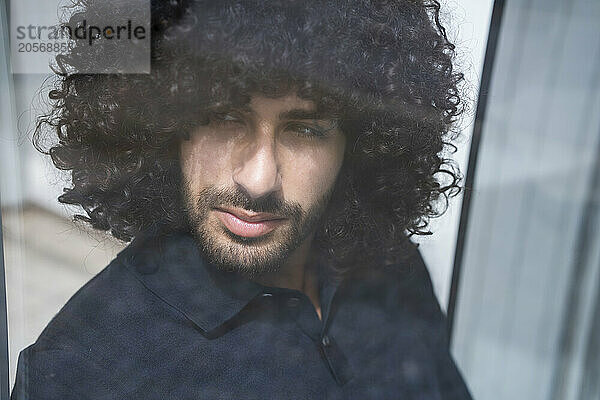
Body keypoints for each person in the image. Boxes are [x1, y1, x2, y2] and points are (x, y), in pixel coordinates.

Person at [12, 0, 471, 398]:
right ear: (162, 128)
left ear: (359, 144)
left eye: (305, 129)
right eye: (223, 117)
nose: (257, 180)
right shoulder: (82, 373)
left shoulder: (389, 265)